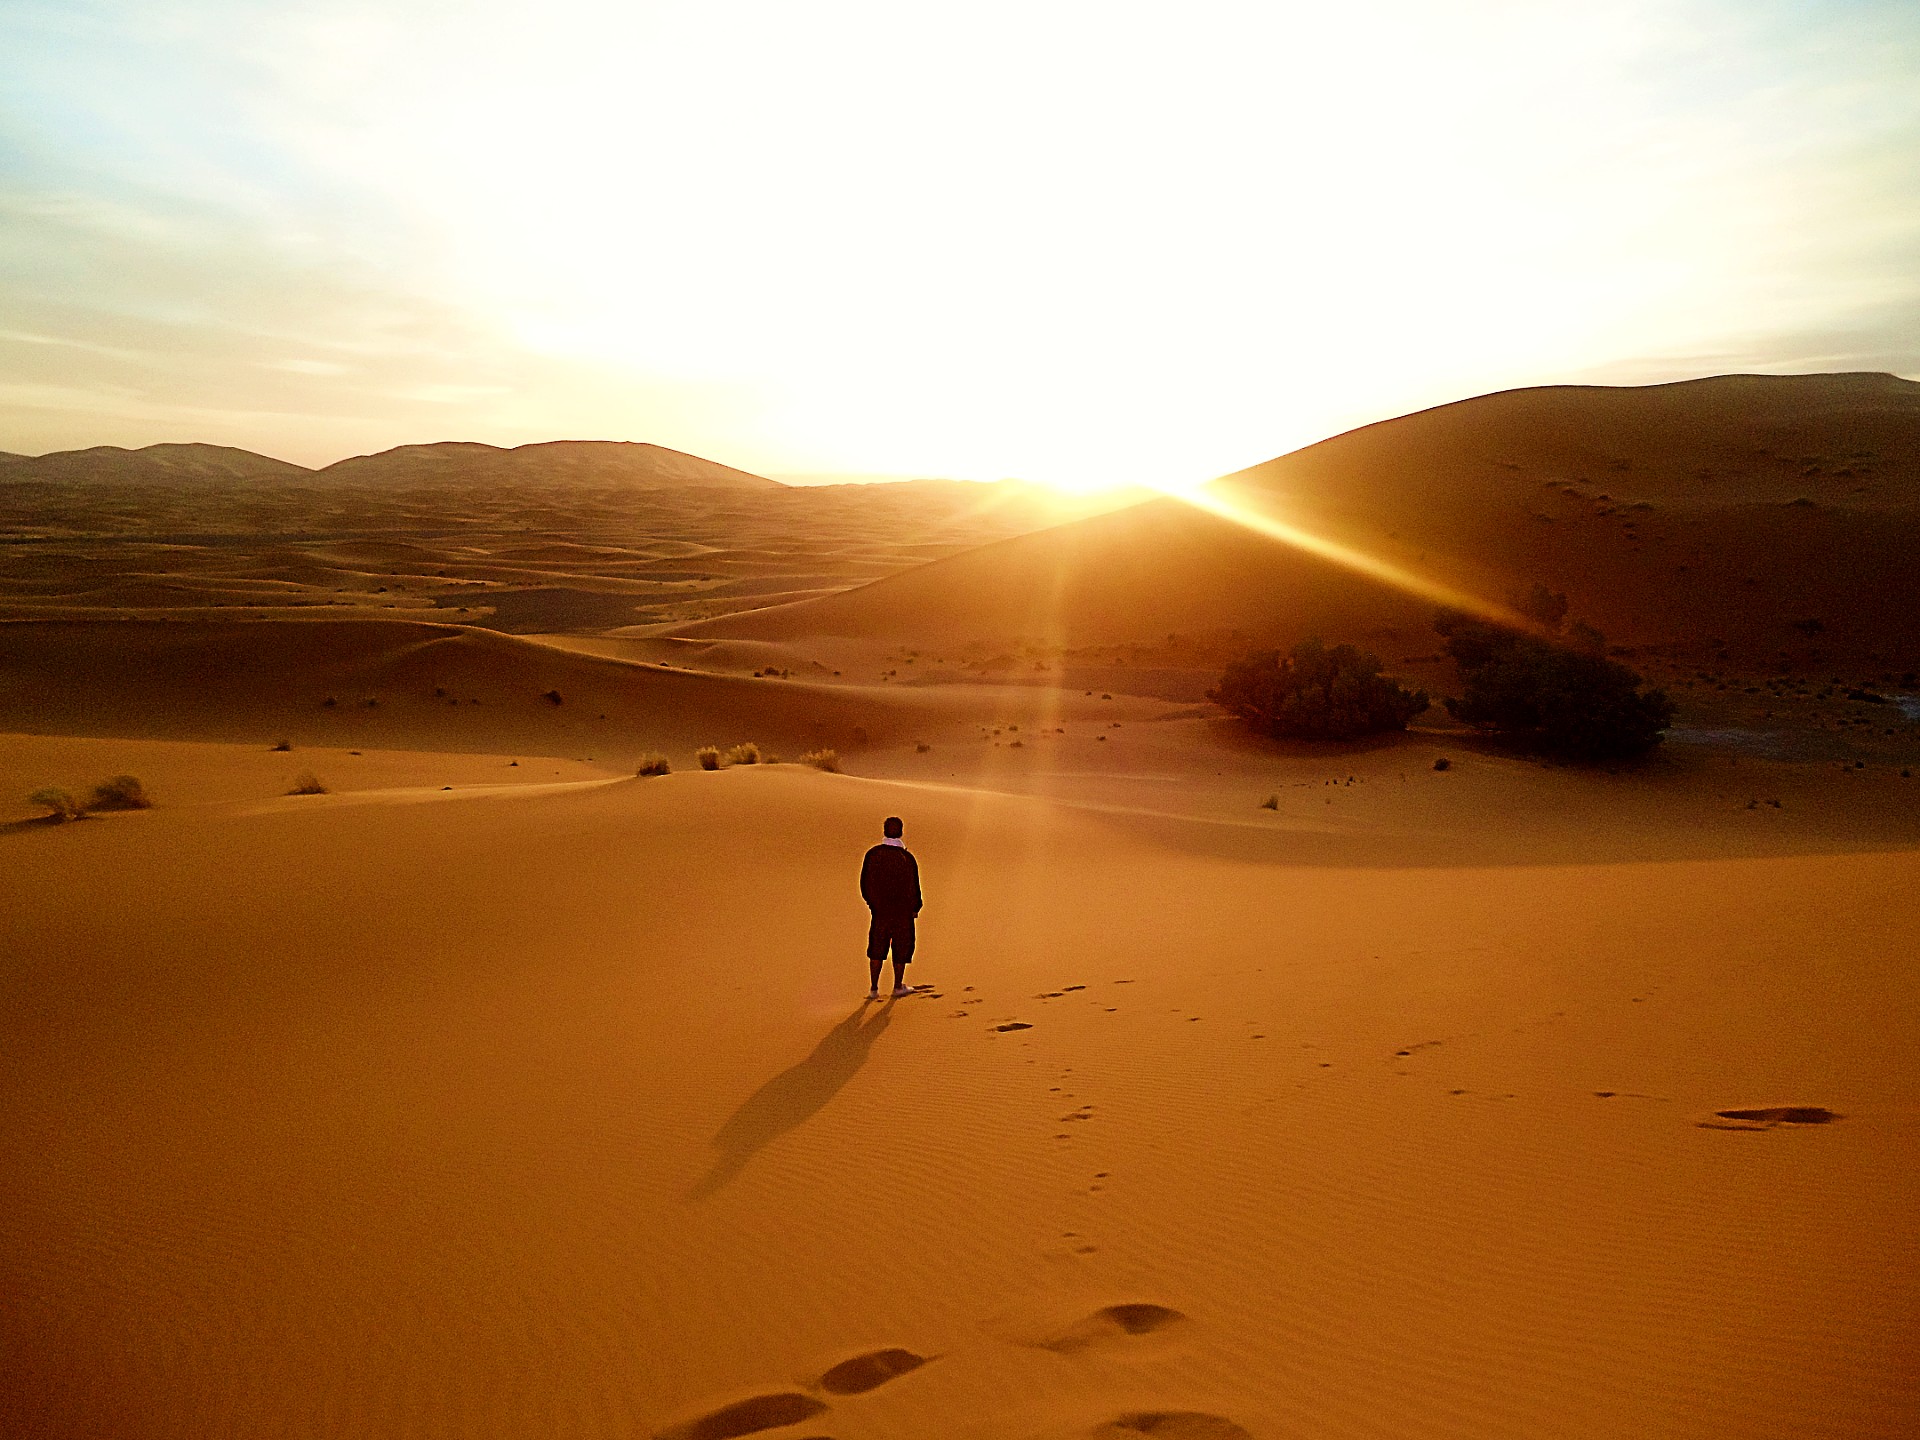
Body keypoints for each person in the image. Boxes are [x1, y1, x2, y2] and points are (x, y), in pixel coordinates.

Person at [859, 815, 922, 999]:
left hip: (880, 912)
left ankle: (873, 989)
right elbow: (914, 887)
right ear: (901, 831)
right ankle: (897, 986)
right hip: (902, 913)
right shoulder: (907, 858)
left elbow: (865, 884)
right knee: (901, 949)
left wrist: (873, 904)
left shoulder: (873, 854)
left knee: (877, 947)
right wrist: (914, 908)